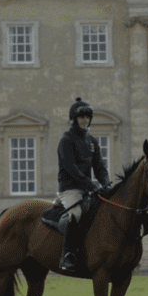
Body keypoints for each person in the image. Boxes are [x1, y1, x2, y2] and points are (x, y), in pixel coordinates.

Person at [56, 97, 111, 271]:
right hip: (70, 189)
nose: (85, 120)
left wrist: (107, 184)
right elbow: (71, 169)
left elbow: (100, 167)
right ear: (74, 119)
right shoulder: (66, 140)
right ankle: (68, 255)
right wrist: (93, 185)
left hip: (87, 189)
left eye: (88, 117)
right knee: (76, 214)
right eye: (81, 117)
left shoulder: (92, 142)